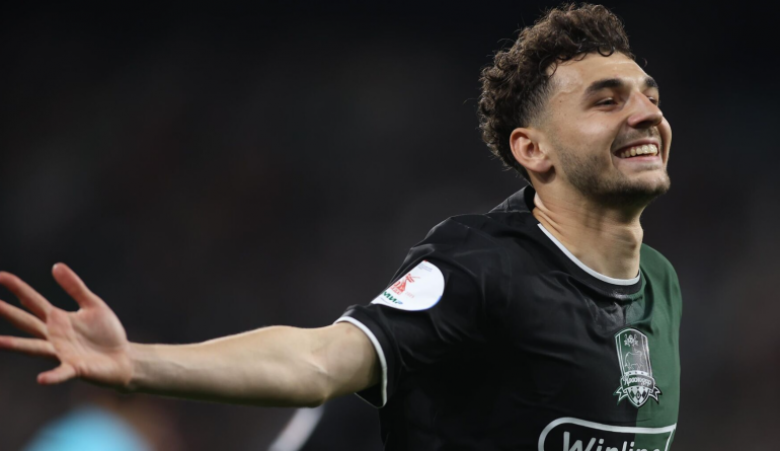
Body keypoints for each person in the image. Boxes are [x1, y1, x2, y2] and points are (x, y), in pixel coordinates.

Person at [0, 4, 681, 450]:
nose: (645, 113)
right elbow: (321, 359)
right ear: (534, 150)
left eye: (649, 95)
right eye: (606, 100)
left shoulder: (662, 285)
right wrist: (136, 364)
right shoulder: (484, 267)